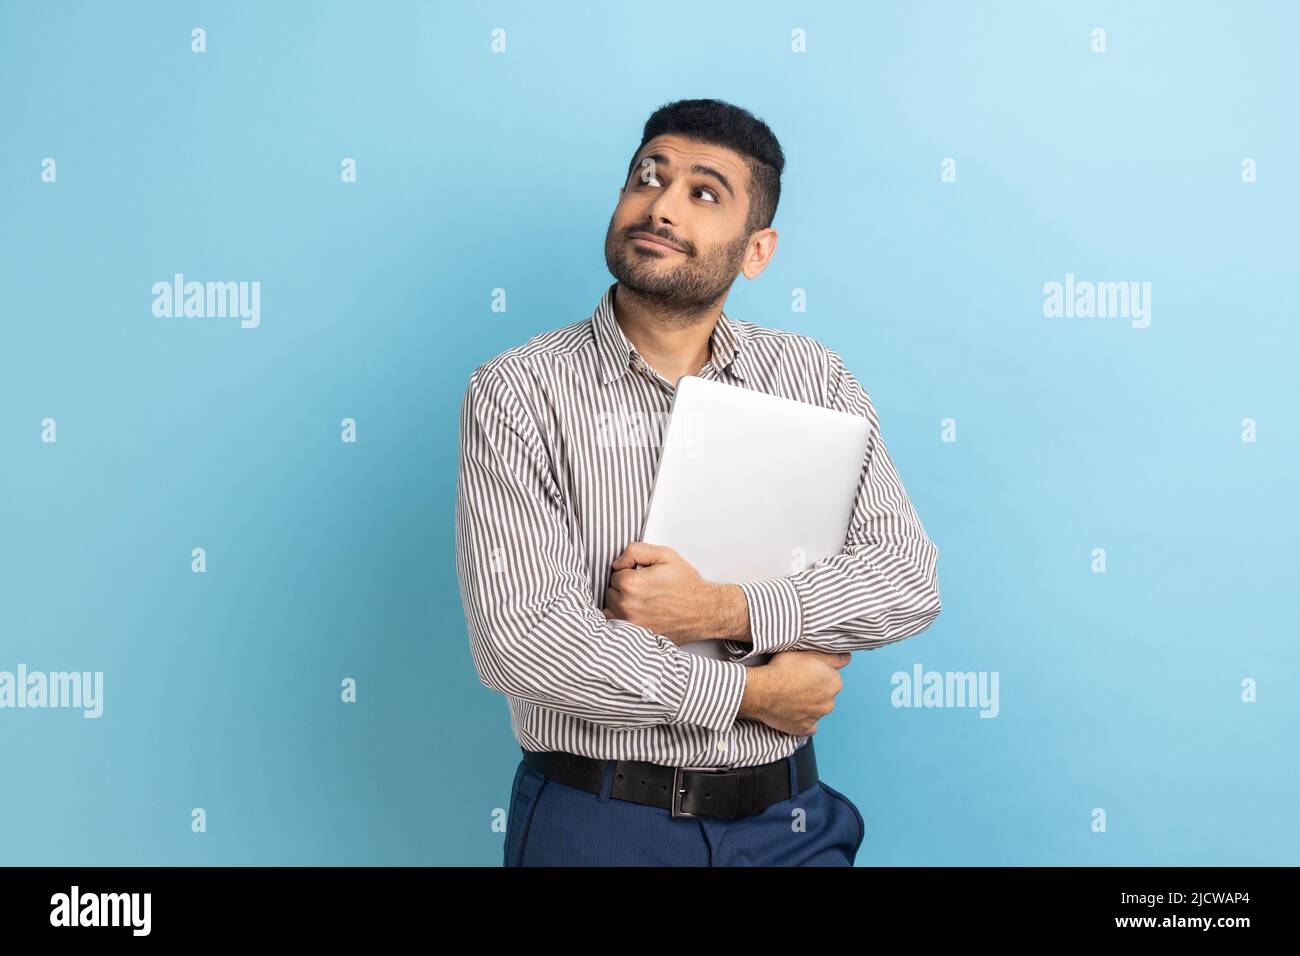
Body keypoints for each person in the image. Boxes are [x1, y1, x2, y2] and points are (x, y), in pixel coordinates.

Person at [455, 98, 941, 866]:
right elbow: (521, 641)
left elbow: (907, 579)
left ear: (757, 251)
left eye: (703, 191)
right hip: (601, 821)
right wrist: (752, 695)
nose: (661, 203)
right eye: (646, 177)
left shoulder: (813, 377)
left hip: (790, 822)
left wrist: (725, 608)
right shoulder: (519, 391)